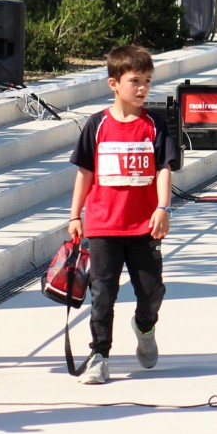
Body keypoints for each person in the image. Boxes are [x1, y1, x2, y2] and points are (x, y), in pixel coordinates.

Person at [67, 44, 181, 385]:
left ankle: (145, 328)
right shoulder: (97, 124)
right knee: (102, 294)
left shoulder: (155, 125)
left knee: (151, 292)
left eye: (147, 80)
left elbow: (163, 169)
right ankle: (99, 356)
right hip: (103, 226)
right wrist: (74, 216)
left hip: (144, 227)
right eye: (135, 80)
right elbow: (85, 173)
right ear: (114, 83)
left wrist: (163, 208)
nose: (143, 88)